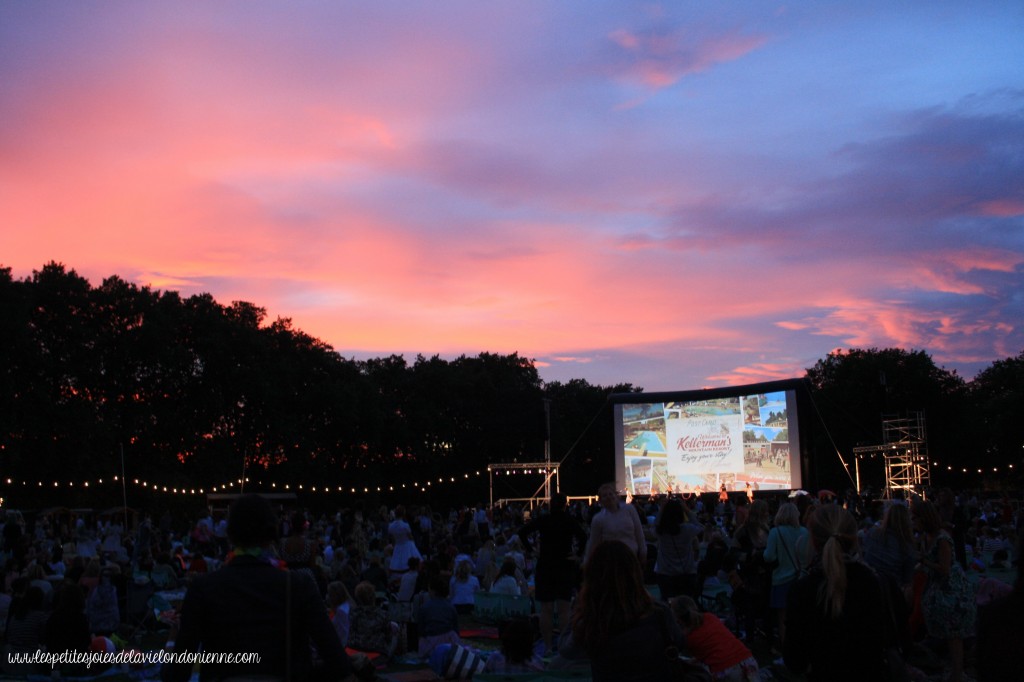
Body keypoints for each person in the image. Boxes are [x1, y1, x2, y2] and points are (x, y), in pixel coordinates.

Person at [161, 494, 355, 682]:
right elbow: (338, 663)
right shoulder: (299, 586)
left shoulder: (203, 588)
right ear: (272, 533)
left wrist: (171, 641)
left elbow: (176, 674)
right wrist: (302, 673)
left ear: (229, 535)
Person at [783, 504, 896, 681]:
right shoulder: (872, 581)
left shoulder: (802, 589)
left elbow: (795, 660)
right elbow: (885, 640)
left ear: (812, 539)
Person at [568, 540, 684, 682]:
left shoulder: (591, 621)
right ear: (635, 572)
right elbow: (679, 642)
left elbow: (567, 650)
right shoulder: (659, 613)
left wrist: (580, 607)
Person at [914, 499, 976, 682]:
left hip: (952, 591)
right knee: (948, 635)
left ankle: (957, 673)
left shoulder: (942, 539)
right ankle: (954, 670)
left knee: (954, 635)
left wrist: (923, 561)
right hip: (938, 589)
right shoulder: (926, 536)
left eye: (915, 518)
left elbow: (945, 568)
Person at [518, 492, 587, 655]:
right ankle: (563, 646)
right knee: (564, 609)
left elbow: (522, 532)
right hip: (564, 565)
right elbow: (583, 536)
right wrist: (578, 554)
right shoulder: (569, 521)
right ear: (565, 505)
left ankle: (548, 646)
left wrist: (531, 550)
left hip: (545, 565)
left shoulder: (544, 520)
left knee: (546, 609)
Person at [672, 595, 759, 682]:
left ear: (677, 618)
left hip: (725, 670)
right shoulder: (710, 617)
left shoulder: (687, 638)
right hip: (747, 661)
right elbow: (714, 645)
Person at [762, 501, 809, 646]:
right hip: (801, 578)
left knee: (783, 618)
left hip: (781, 579)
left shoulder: (775, 532)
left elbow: (769, 556)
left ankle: (786, 647)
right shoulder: (804, 531)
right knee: (801, 616)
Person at [653, 498, 703, 601]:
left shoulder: (661, 531)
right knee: (686, 603)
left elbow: (655, 525)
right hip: (686, 572)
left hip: (665, 573)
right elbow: (699, 526)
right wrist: (687, 510)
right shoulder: (687, 529)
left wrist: (661, 510)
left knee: (668, 603)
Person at [585, 483, 647, 566]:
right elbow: (593, 542)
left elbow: (639, 533)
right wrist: (587, 561)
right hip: (611, 560)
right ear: (600, 500)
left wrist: (643, 552)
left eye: (611, 494)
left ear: (616, 496)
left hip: (632, 557)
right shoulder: (598, 519)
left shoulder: (629, 510)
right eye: (605, 495)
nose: (609, 497)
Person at [862, 502, 917, 590]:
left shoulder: (872, 533)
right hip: (891, 590)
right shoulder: (907, 546)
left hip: (868, 584)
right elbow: (907, 578)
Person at [388, 505, 423, 577]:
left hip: (398, 545)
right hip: (407, 545)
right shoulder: (405, 525)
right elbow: (410, 537)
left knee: (398, 564)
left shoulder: (391, 526)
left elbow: (392, 539)